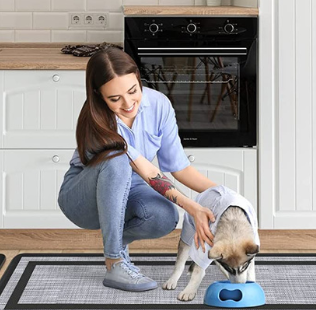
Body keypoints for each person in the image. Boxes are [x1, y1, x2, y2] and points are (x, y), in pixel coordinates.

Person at [57, 47, 219, 291]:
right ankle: (114, 262)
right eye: (115, 99)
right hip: (82, 197)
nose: (128, 103)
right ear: (99, 95)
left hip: (130, 187)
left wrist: (225, 195)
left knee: (165, 216)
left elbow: (179, 167)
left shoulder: (158, 105)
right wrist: (193, 207)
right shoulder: (96, 120)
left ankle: (117, 242)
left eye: (133, 91)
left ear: (138, 79)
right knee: (117, 159)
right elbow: (149, 172)